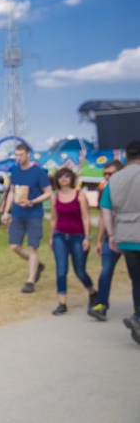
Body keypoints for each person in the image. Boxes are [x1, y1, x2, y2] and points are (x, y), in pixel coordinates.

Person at [99, 140, 140, 345]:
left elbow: (105, 208)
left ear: (126, 157)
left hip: (126, 236)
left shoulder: (114, 180)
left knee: (137, 280)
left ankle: (139, 318)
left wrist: (112, 235)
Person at [1, 143, 52, 293]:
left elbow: (48, 192)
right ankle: (37, 265)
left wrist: (32, 202)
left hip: (34, 214)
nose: (18, 158)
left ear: (28, 154)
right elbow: (11, 191)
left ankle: (30, 281)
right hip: (17, 214)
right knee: (14, 246)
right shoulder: (15, 172)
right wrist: (6, 211)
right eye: (16, 155)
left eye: (21, 155)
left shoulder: (38, 172)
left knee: (33, 247)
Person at [48, 167, 95, 315]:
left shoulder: (80, 195)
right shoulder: (54, 196)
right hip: (60, 236)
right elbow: (53, 218)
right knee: (61, 270)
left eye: (66, 175)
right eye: (60, 176)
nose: (63, 178)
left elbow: (86, 217)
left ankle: (92, 291)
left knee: (80, 271)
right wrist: (51, 237)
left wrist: (87, 237)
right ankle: (62, 302)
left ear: (72, 178)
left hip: (78, 236)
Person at [88, 159, 124, 321]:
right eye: (105, 174)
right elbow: (103, 216)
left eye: (111, 173)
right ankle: (101, 305)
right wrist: (99, 240)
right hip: (111, 238)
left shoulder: (131, 187)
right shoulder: (104, 190)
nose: (107, 177)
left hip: (131, 237)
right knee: (106, 271)